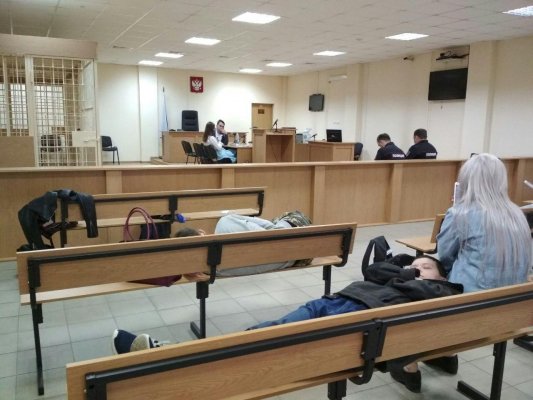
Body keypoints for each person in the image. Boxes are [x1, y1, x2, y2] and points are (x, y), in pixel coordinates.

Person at [437, 153, 531, 292]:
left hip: (470, 295)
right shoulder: (518, 213)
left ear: (466, 179)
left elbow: (445, 256)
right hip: (515, 293)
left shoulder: (460, 213)